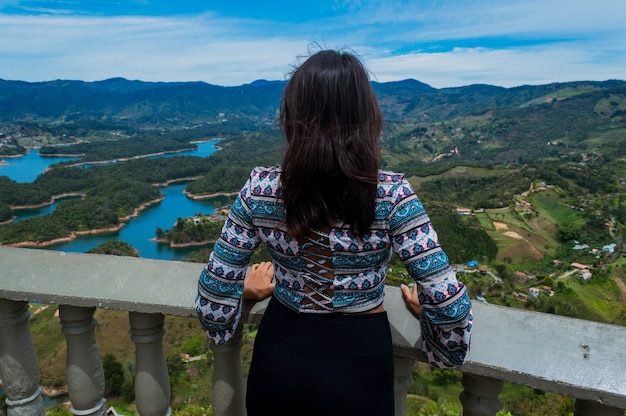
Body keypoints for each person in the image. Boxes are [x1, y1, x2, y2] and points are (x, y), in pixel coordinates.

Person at [196, 49, 472, 416]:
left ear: (292, 116)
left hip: (278, 359)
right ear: (367, 117)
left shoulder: (260, 189)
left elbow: (214, 292)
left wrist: (241, 289)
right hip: (360, 365)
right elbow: (451, 308)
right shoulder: (391, 195)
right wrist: (431, 318)